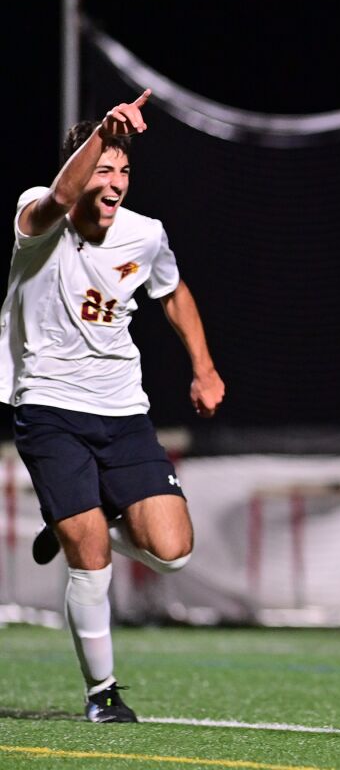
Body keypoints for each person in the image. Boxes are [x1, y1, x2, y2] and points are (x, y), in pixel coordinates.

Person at [4, 89, 225, 722]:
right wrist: (100, 137)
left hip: (123, 411)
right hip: (47, 408)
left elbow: (173, 291)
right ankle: (102, 693)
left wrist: (204, 369)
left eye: (125, 170)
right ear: (80, 166)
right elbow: (59, 198)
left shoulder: (145, 235)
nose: (117, 181)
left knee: (173, 550)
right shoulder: (35, 218)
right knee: (91, 558)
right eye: (105, 167)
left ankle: (78, 523)